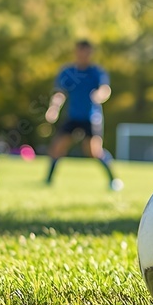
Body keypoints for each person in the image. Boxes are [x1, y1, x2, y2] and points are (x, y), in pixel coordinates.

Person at [44, 39, 122, 191]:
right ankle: (48, 180)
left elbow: (105, 89)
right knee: (57, 147)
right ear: (76, 52)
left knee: (94, 151)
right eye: (80, 51)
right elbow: (60, 93)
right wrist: (53, 108)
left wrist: (99, 95)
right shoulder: (68, 72)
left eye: (86, 52)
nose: (83, 55)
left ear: (90, 53)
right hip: (73, 116)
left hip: (91, 117)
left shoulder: (96, 72)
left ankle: (113, 180)